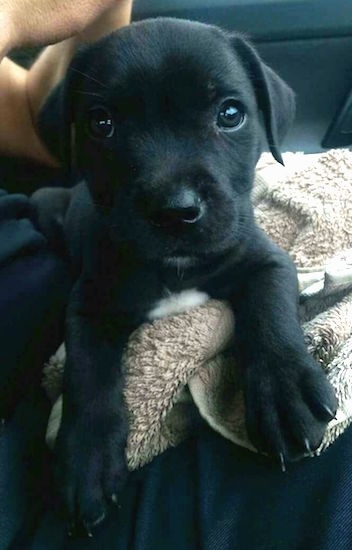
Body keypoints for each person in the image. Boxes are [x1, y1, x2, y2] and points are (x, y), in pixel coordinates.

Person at [1, 2, 352, 549]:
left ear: (266, 118)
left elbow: (267, 268)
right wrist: (90, 417)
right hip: (60, 223)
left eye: (228, 116)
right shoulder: (98, 242)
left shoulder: (240, 240)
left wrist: (276, 354)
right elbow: (91, 313)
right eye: (105, 123)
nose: (175, 192)